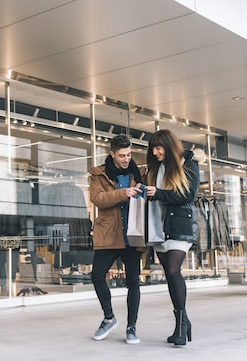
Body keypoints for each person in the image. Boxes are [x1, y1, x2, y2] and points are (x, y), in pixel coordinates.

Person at [143, 129, 200, 347]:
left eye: (158, 148)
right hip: (157, 225)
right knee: (169, 273)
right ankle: (183, 320)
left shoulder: (188, 163)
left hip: (179, 224)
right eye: (153, 149)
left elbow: (188, 195)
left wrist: (157, 193)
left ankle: (180, 325)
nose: (155, 152)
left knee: (174, 270)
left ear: (168, 145)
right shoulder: (155, 167)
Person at [89, 134, 145, 345]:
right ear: (112, 154)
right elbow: (98, 199)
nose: (126, 159)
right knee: (97, 276)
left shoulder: (139, 172)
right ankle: (109, 317)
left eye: (129, 154)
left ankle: (132, 327)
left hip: (133, 234)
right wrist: (124, 193)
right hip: (109, 233)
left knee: (133, 282)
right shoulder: (98, 174)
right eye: (122, 155)